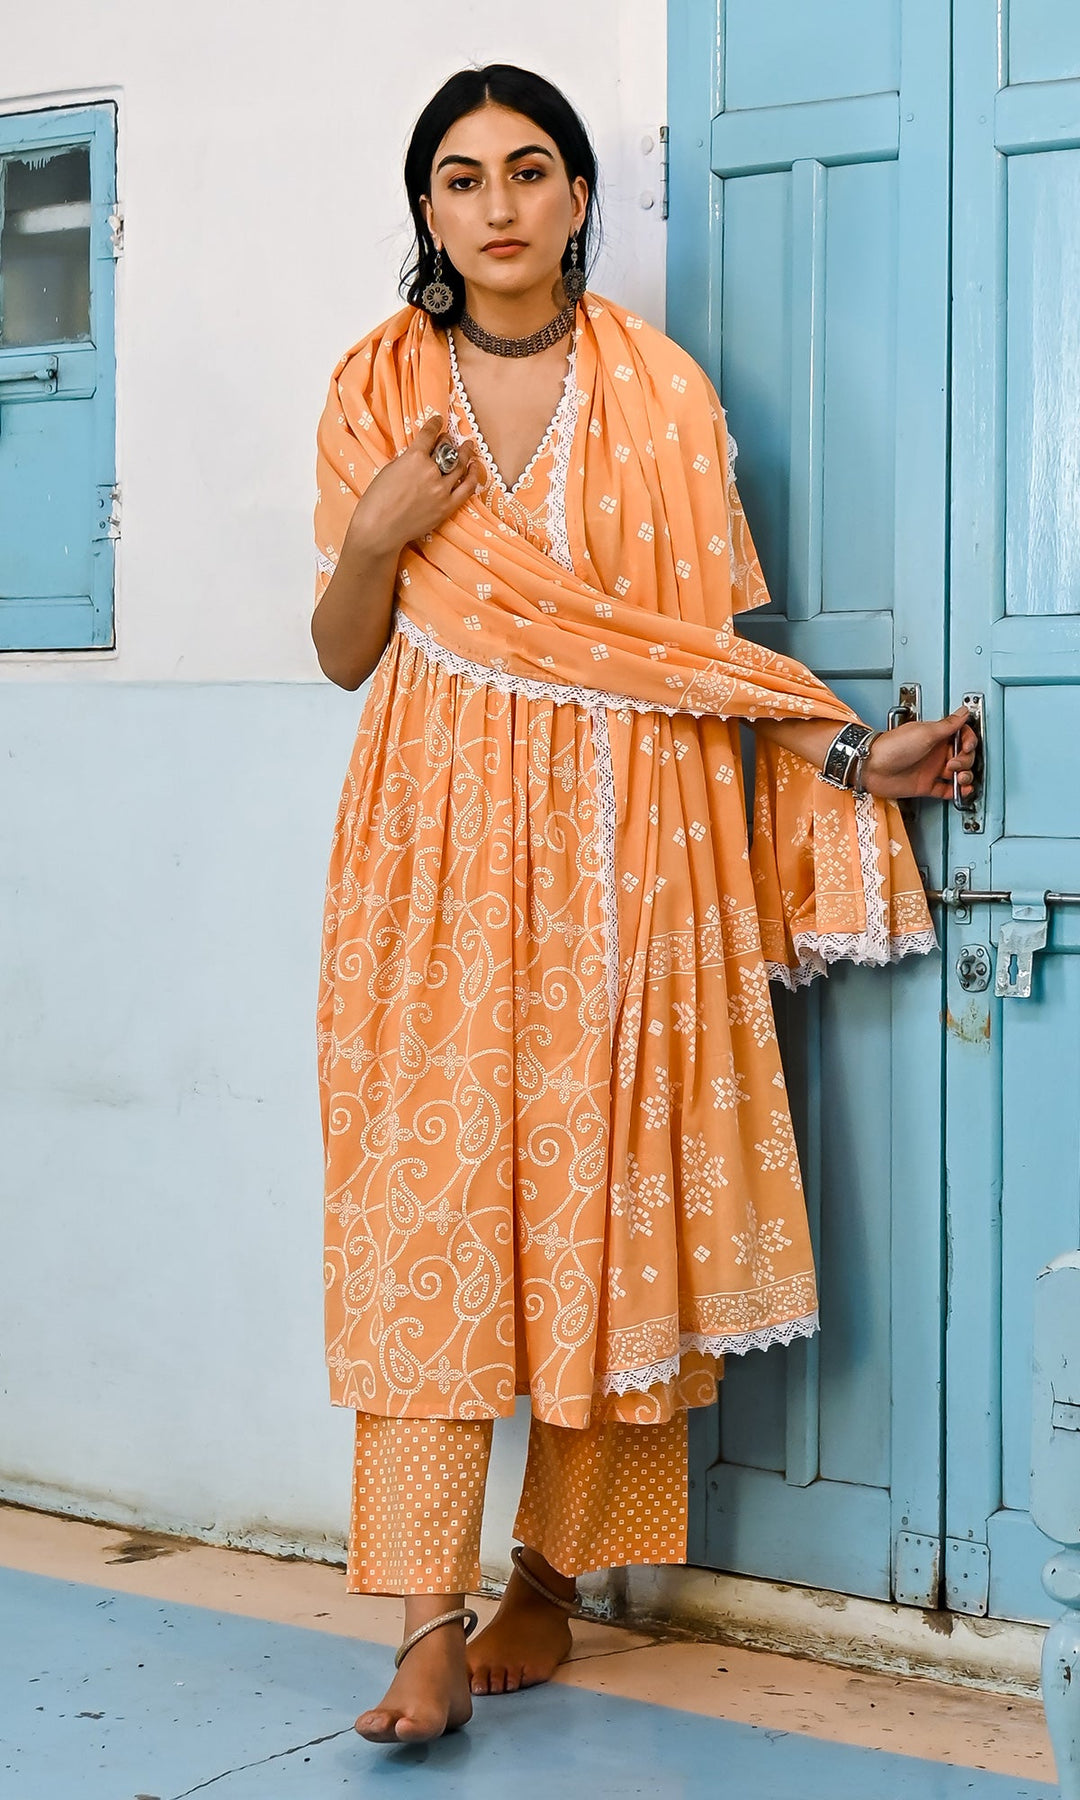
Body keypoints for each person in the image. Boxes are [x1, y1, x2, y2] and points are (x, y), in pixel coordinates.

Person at [311, 64, 976, 1746]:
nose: (500, 205)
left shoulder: (662, 394)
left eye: (531, 169)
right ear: (427, 208)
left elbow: (695, 661)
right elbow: (342, 656)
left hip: (633, 848)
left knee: (612, 1203)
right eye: (463, 177)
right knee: (428, 1216)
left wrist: (851, 754)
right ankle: (424, 1618)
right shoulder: (378, 387)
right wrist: (376, 537)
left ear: (581, 196)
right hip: (436, 849)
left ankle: (550, 1578)